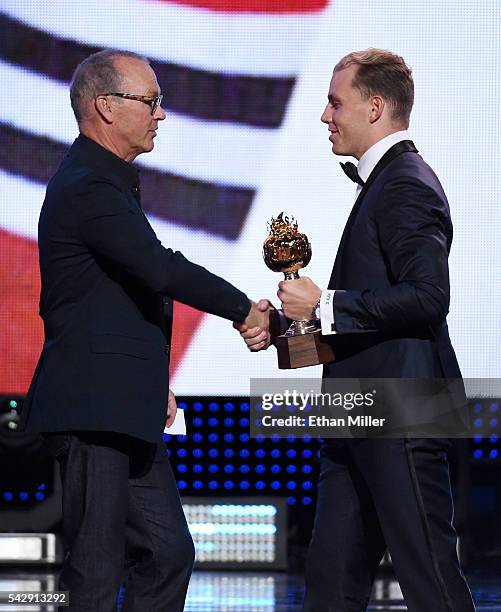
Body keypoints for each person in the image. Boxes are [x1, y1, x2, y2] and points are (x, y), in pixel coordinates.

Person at [19, 49, 270, 611]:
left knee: (168, 553)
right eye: (151, 101)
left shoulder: (109, 181)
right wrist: (243, 310)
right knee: (97, 566)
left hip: (123, 405)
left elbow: (119, 299)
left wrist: (150, 379)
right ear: (106, 107)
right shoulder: (88, 184)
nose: (161, 114)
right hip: (92, 407)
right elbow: (159, 268)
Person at [238, 49, 475, 611]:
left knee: (429, 579)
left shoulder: (406, 183)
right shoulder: (384, 183)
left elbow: (428, 297)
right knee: (329, 586)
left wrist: (328, 305)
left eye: (334, 102)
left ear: (374, 108)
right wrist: (285, 326)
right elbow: (371, 314)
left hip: (403, 412)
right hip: (357, 411)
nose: (324, 115)